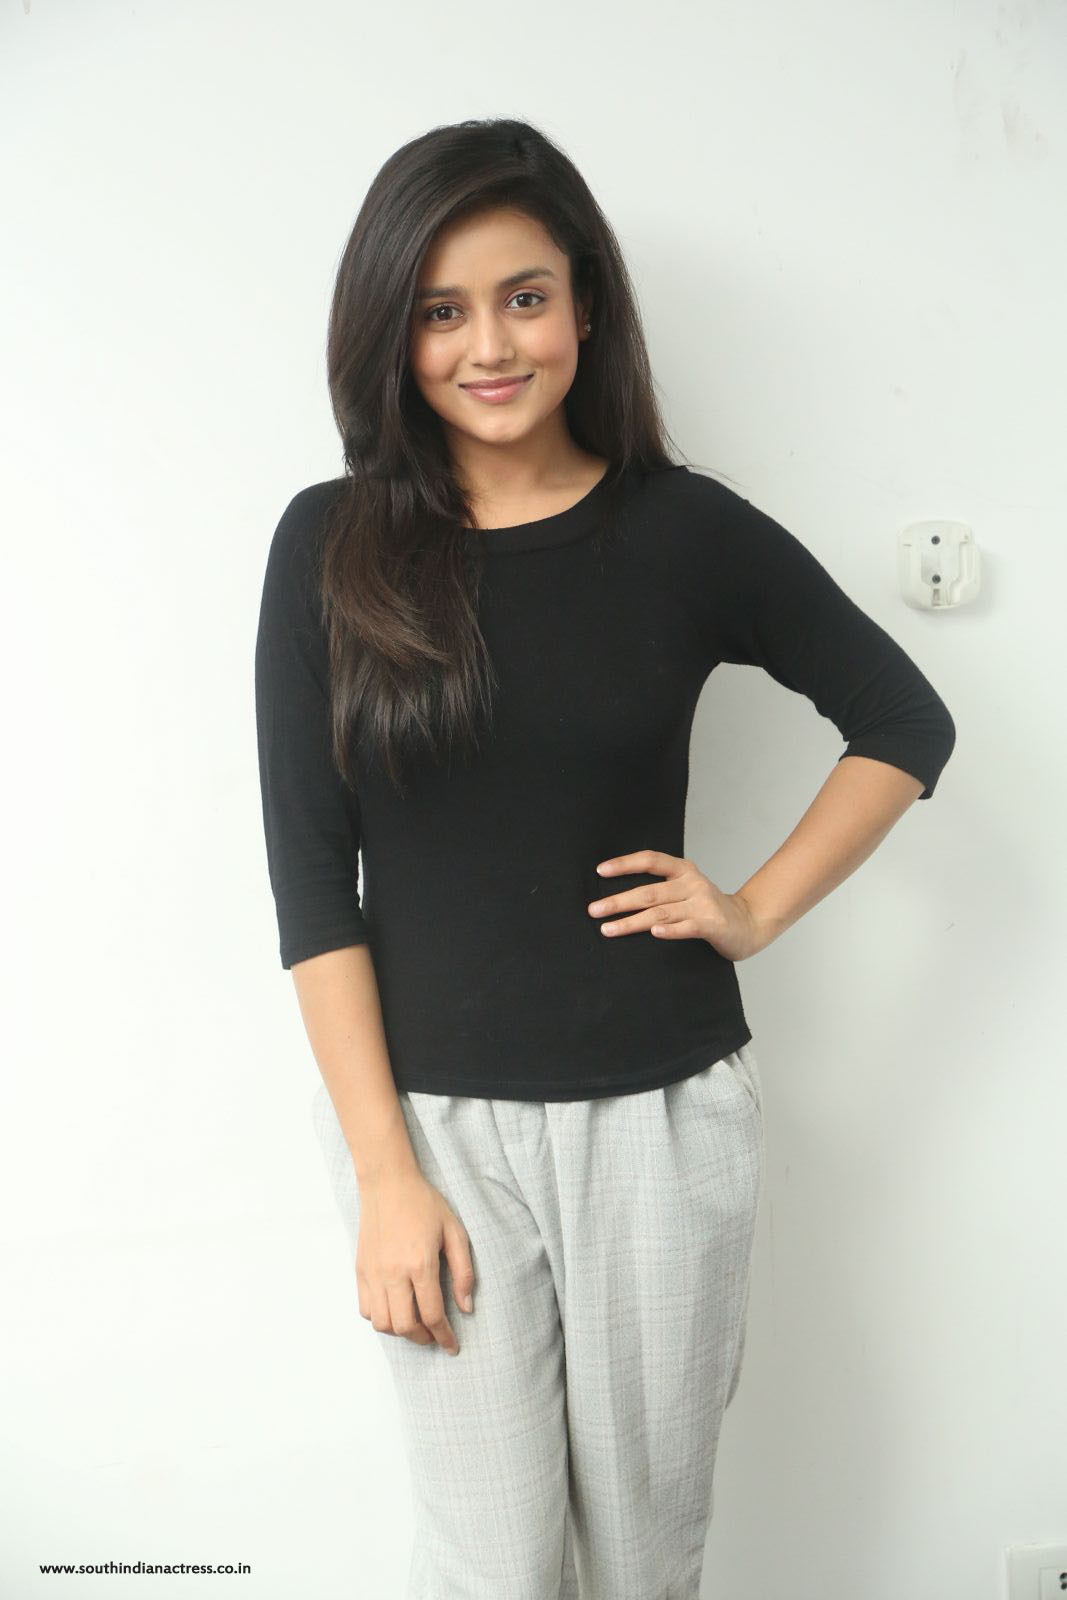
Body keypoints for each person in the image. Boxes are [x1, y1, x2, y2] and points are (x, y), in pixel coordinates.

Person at [254, 117, 956, 1600]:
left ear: (584, 303)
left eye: (525, 297)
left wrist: (753, 907)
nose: (489, 346)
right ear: (391, 332)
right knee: (492, 1564)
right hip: (431, 1133)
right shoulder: (328, 546)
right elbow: (314, 888)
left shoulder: (682, 530)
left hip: (659, 1117)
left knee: (643, 1560)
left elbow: (903, 720)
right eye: (440, 311)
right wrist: (384, 1174)